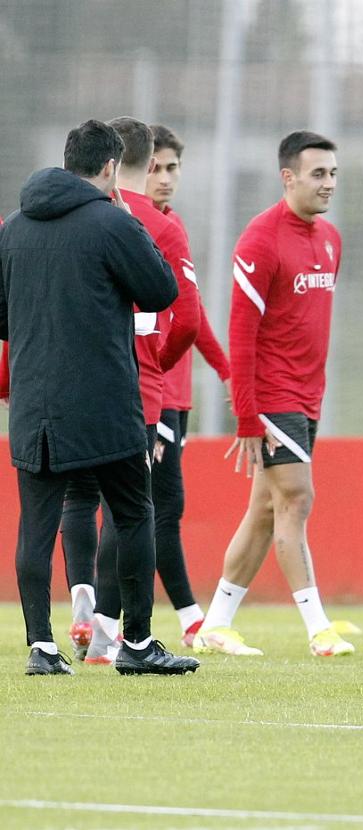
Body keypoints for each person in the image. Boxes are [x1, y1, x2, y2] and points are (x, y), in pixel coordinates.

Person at [0, 118, 198, 676]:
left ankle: (41, 646)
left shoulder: (13, 227)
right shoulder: (113, 222)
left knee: (37, 522)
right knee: (134, 513)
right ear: (111, 168)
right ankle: (135, 643)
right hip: (105, 400)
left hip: (35, 401)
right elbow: (162, 291)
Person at [193, 130, 355, 658]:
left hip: (308, 396)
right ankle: (318, 628)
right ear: (288, 178)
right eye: (318, 174)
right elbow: (241, 332)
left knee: (264, 509)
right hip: (270, 396)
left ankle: (215, 624)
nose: (328, 183)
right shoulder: (260, 239)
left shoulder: (330, 238)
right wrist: (245, 415)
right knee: (295, 498)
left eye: (332, 173)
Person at [67, 116, 201, 666]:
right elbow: (188, 319)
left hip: (71, 384)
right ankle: (107, 629)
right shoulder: (159, 227)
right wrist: (161, 374)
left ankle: (81, 599)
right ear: (142, 166)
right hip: (137, 390)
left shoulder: (71, 218)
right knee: (133, 510)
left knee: (78, 499)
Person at [146, 123, 233, 648]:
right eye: (154, 167)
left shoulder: (173, 227)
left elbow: (190, 313)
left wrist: (226, 370)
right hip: (137, 392)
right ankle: (102, 615)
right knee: (133, 508)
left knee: (162, 509)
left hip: (172, 396)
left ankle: (181, 617)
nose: (165, 177)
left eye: (172, 167)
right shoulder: (122, 223)